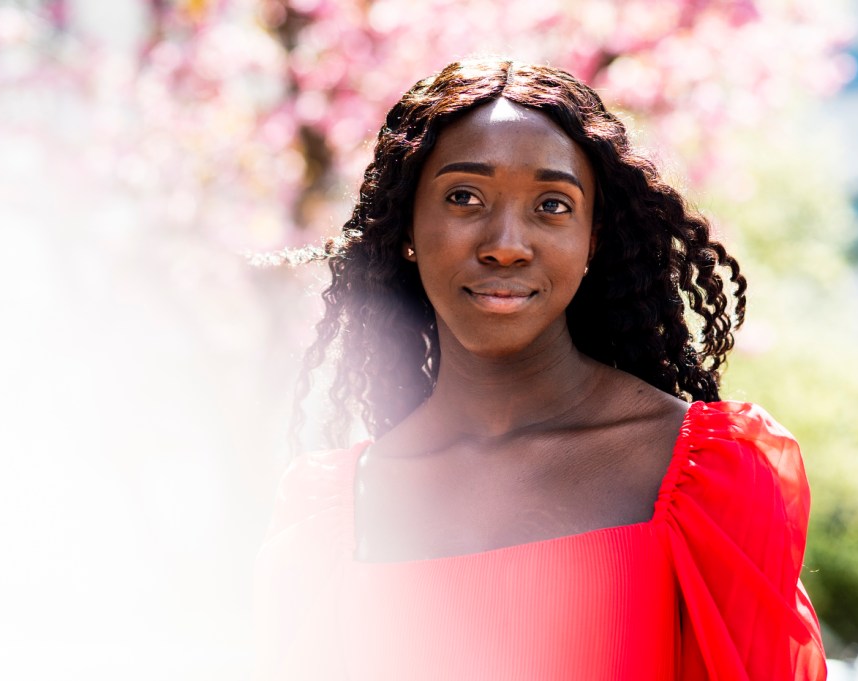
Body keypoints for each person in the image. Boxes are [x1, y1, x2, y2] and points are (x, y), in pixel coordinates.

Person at [253, 59, 827, 680]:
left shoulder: (704, 475)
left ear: (593, 238)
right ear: (406, 228)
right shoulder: (332, 513)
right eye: (463, 197)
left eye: (552, 205)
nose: (505, 243)